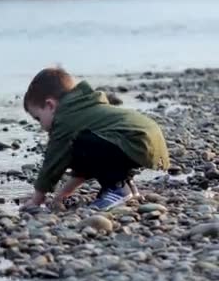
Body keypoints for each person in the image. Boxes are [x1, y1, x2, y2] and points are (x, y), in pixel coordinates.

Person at [21, 67, 169, 211]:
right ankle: (127, 186)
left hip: (137, 140)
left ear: (50, 105)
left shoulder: (66, 119)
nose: (40, 125)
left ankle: (117, 189)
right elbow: (84, 167)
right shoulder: (83, 109)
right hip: (146, 141)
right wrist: (61, 195)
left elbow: (52, 163)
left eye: (38, 118)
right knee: (81, 147)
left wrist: (37, 200)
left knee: (80, 144)